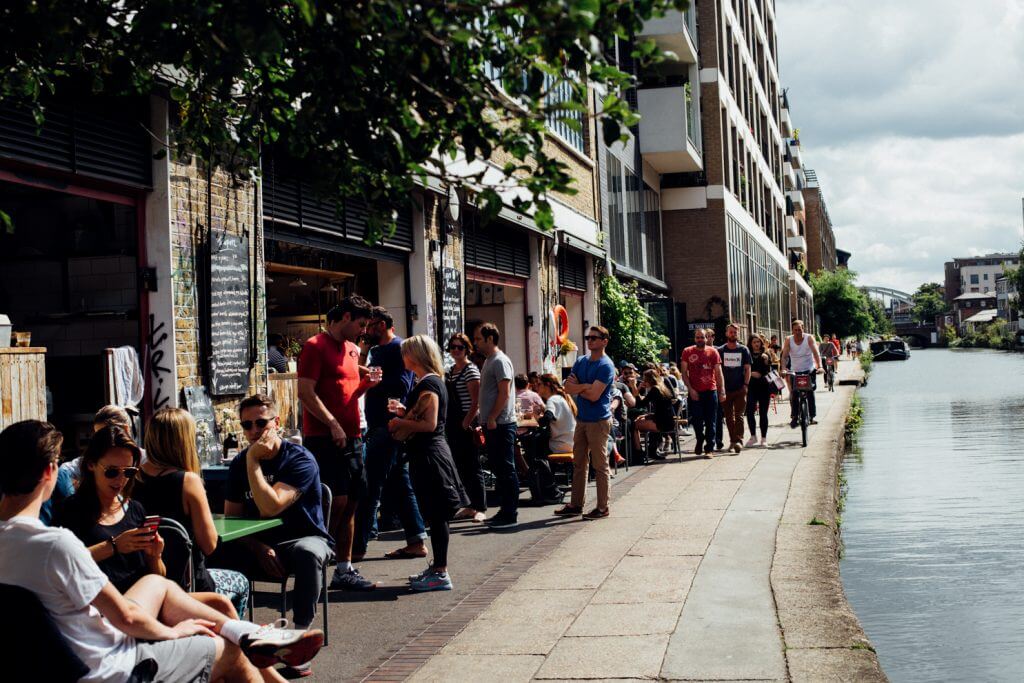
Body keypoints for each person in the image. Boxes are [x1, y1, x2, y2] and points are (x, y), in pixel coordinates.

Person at [0, 420, 324, 683]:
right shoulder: (57, 541)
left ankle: (250, 634)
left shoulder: (23, 541)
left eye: (128, 472)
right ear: (50, 472)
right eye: (112, 471)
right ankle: (248, 638)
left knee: (163, 586)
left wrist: (154, 557)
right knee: (227, 651)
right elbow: (126, 617)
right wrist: (173, 633)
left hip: (59, 655)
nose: (121, 479)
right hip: (111, 665)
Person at [219, 394, 335, 640]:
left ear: (277, 423)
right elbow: (231, 521)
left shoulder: (299, 459)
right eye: (247, 425)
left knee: (307, 552)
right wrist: (256, 546)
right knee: (212, 547)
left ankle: (299, 634)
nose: (254, 431)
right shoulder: (239, 464)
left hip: (302, 537)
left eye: (261, 423)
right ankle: (228, 629)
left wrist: (253, 460)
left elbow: (272, 507)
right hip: (259, 542)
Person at [296, 295, 381, 591]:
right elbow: (305, 393)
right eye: (361, 324)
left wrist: (367, 384)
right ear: (346, 317)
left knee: (354, 501)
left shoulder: (353, 350)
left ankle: (344, 569)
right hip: (323, 437)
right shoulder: (314, 346)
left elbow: (349, 393)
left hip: (353, 435)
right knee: (335, 501)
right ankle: (316, 563)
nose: (364, 330)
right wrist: (332, 424)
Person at [134, 407, 250, 615]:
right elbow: (209, 545)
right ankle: (232, 634)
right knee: (241, 582)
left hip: (145, 584)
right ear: (184, 440)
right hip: (189, 586)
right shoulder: (188, 481)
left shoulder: (133, 478)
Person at [387, 335, 469, 592]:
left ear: (415, 355)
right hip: (429, 453)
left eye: (405, 352)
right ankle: (437, 569)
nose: (402, 357)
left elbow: (429, 423)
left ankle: (441, 572)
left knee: (437, 514)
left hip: (430, 455)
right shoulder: (429, 381)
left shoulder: (429, 384)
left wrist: (399, 422)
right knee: (435, 514)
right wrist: (405, 412)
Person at [353, 306, 427, 563]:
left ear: (382, 325)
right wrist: (366, 360)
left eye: (370, 326)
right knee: (399, 484)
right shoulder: (376, 350)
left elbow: (402, 386)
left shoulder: (398, 348)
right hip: (380, 425)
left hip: (388, 426)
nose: (366, 331)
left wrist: (376, 380)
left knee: (370, 486)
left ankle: (357, 547)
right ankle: (416, 541)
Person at [558, 325, 616, 520]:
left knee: (600, 466)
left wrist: (579, 387)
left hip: (598, 420)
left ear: (604, 341)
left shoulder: (606, 365)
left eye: (594, 338)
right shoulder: (581, 361)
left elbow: (594, 396)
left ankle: (602, 507)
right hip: (582, 419)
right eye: (588, 337)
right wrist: (585, 386)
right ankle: (576, 504)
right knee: (579, 463)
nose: (589, 341)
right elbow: (567, 388)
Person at [474, 322, 520, 530]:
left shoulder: (500, 360)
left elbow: (504, 392)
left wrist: (492, 416)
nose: (476, 343)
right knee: (500, 468)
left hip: (501, 423)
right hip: (492, 423)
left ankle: (510, 512)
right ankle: (505, 509)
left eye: (478, 339)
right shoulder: (489, 360)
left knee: (506, 468)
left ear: (490, 338)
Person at [445, 333, 487, 523]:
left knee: (473, 465)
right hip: (453, 422)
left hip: (467, 422)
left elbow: (476, 401)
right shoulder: (451, 370)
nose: (456, 350)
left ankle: (480, 507)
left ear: (467, 349)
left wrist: (466, 422)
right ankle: (470, 505)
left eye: (460, 347)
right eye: (453, 347)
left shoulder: (471, 370)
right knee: (460, 465)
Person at [680, 329, 726, 458]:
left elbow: (719, 373)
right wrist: (690, 389)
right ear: (694, 338)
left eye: (702, 337)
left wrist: (722, 390)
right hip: (695, 392)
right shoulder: (687, 351)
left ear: (707, 338)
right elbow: (684, 373)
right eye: (697, 337)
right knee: (697, 421)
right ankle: (700, 439)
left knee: (711, 421)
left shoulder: (713, 352)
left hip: (710, 391)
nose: (700, 339)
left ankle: (709, 448)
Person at [780, 319, 824, 427]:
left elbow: (816, 353)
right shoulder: (788, 340)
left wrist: (820, 366)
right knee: (794, 393)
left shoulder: (809, 338)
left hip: (809, 369)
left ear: (803, 329)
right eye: (795, 330)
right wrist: (784, 369)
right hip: (795, 371)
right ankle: (794, 417)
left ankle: (812, 416)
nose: (797, 332)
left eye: (799, 329)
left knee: (810, 391)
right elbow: (784, 356)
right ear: (792, 330)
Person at [717, 323, 753, 454]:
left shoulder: (743, 350)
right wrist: (720, 387)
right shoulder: (720, 350)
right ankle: (733, 440)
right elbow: (717, 370)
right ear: (726, 333)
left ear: (738, 334)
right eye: (731, 332)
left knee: (739, 416)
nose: (733, 334)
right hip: (725, 389)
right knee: (728, 417)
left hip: (740, 388)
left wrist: (746, 385)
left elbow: (748, 369)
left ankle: (738, 440)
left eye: (735, 332)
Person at [632, 369, 677, 461]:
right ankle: (651, 451)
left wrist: (634, 388)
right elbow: (662, 410)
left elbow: (640, 404)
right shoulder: (662, 387)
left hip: (662, 423)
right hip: (669, 422)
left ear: (649, 380)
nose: (643, 381)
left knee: (633, 425)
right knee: (643, 421)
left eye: (645, 379)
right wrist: (648, 416)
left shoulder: (654, 389)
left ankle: (639, 452)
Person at [745, 334, 773, 448]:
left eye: (758, 342)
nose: (756, 344)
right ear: (750, 344)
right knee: (749, 412)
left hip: (764, 387)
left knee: (763, 413)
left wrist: (766, 361)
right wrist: (751, 374)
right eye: (754, 342)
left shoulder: (766, 354)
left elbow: (768, 371)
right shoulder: (747, 354)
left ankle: (763, 438)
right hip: (751, 387)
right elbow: (744, 369)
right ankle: (753, 436)